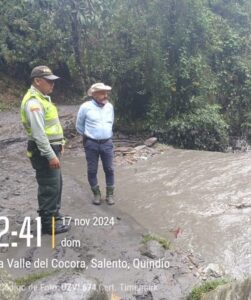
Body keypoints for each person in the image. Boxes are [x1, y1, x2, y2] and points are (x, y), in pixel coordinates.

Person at [21, 65, 70, 234]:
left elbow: (52, 127)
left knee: (56, 184)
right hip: (43, 152)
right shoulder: (33, 103)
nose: (52, 85)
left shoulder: (42, 99)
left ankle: (54, 216)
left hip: (51, 149)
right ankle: (49, 225)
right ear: (37, 81)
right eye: (49, 81)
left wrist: (60, 143)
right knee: (49, 187)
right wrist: (50, 155)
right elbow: (39, 134)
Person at [76, 82, 115, 205]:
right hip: (91, 144)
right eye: (102, 93)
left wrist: (104, 133)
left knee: (109, 169)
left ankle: (110, 195)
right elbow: (79, 126)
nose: (105, 95)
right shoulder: (85, 107)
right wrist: (90, 136)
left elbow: (111, 123)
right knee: (92, 170)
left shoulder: (110, 107)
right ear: (94, 94)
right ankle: (96, 194)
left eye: (106, 92)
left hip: (107, 143)